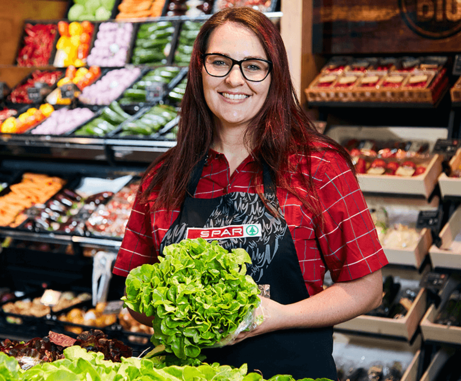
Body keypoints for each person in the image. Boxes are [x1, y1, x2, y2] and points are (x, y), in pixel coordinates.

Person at [112, 7, 387, 380]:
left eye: (253, 66)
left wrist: (277, 316)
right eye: (220, 62)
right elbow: (134, 286)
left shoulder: (317, 167)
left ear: (274, 76)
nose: (234, 79)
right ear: (199, 69)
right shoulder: (163, 178)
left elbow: (367, 288)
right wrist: (183, 311)